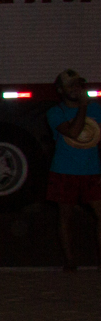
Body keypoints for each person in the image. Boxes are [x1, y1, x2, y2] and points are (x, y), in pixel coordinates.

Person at [48, 68, 99, 270]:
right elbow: (74, 133)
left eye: (78, 85)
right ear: (61, 90)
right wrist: (83, 107)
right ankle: (70, 261)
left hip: (92, 170)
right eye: (71, 86)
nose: (76, 89)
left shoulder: (97, 110)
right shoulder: (55, 113)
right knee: (65, 217)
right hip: (64, 170)